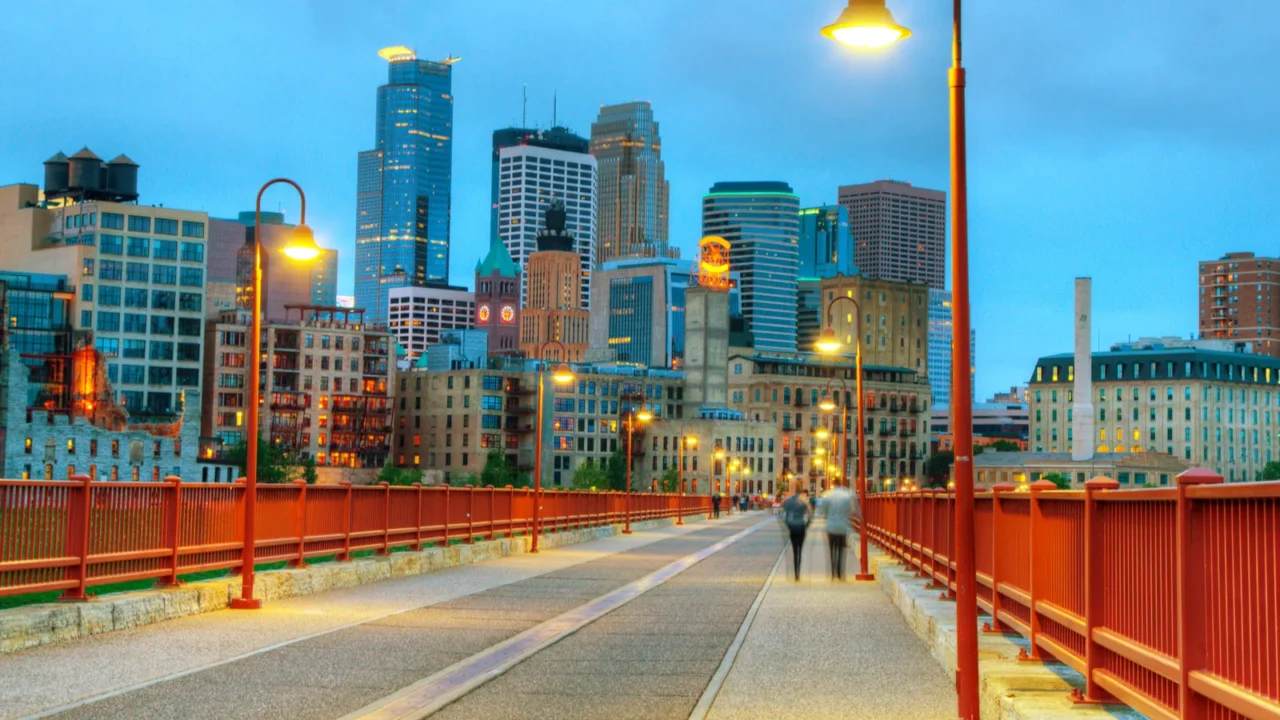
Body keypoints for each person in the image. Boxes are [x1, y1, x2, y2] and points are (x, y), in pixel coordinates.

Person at [822, 481, 854, 580]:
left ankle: (833, 572)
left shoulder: (827, 496)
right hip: (842, 527)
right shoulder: (846, 496)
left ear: (833, 485)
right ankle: (840, 572)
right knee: (841, 550)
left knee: (832, 550)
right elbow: (849, 511)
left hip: (831, 527)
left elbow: (824, 512)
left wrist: (828, 517)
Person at [780, 486, 812, 581]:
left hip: (792, 527)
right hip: (801, 526)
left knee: (794, 550)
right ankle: (798, 572)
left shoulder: (788, 501)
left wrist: (787, 524)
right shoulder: (803, 502)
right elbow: (810, 514)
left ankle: (795, 572)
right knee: (800, 550)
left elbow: (782, 513)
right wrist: (807, 525)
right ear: (801, 493)